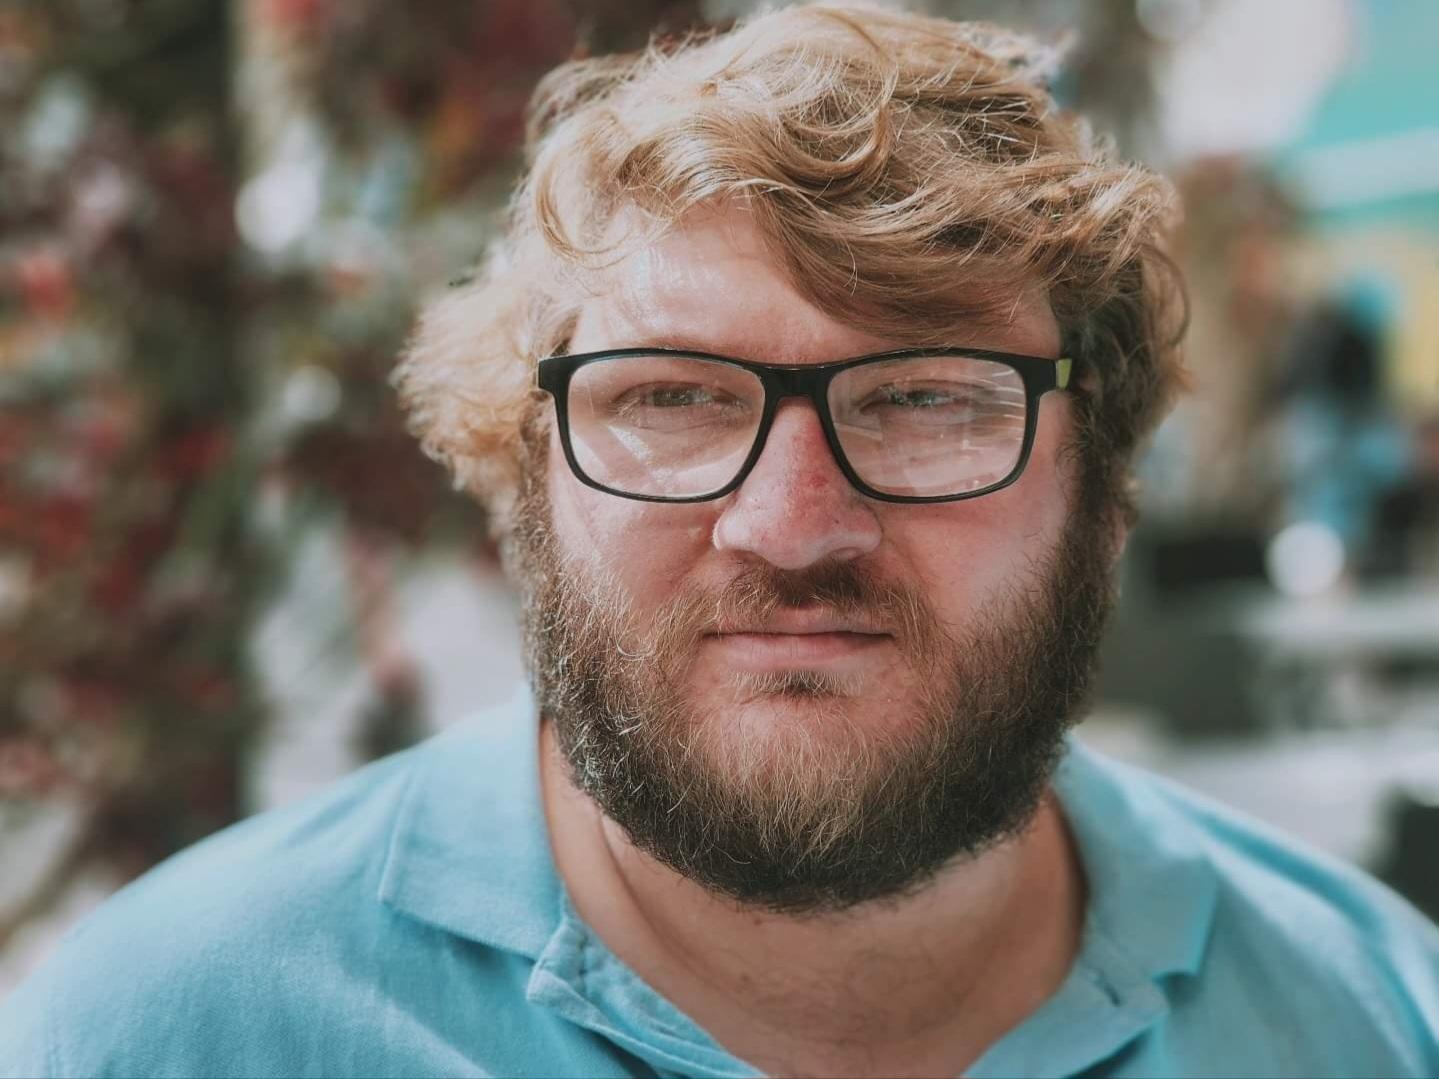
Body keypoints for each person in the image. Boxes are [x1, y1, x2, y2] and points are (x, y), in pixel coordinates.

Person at [3, 5, 1437, 1077]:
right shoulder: (166, 1035)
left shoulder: (1376, 1016)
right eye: (672, 401)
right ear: (523, 481)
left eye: (927, 400)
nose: (791, 526)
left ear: (1106, 497)